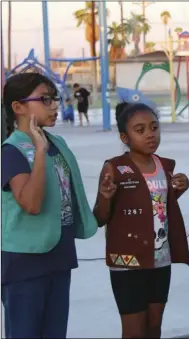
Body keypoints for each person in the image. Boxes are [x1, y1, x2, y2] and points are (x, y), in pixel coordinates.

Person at [1, 72, 98, 338]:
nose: (55, 105)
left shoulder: (58, 145)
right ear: (18, 107)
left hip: (58, 257)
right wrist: (39, 151)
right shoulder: (11, 152)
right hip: (26, 264)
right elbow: (31, 203)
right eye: (44, 99)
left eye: (54, 98)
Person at [93, 102, 189, 338]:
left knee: (154, 327)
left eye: (154, 127)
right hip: (128, 263)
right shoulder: (115, 167)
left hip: (160, 260)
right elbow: (99, 217)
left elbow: (156, 206)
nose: (150, 134)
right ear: (125, 137)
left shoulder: (165, 165)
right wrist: (105, 197)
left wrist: (180, 188)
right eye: (140, 130)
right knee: (134, 330)